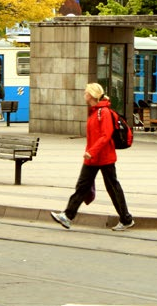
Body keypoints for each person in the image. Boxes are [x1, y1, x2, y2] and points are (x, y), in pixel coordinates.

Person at [51, 83, 135, 231]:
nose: (84, 95)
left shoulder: (103, 112)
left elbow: (105, 135)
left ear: (91, 95)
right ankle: (67, 216)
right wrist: (90, 153)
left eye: (85, 93)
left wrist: (92, 151)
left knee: (113, 188)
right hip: (93, 157)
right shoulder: (95, 111)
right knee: (82, 186)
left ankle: (126, 218)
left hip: (104, 157)